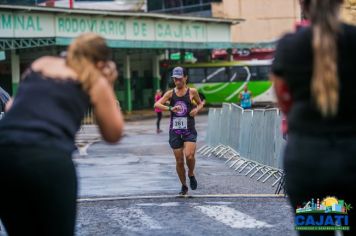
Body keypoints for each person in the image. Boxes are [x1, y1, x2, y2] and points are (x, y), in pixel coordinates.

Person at [0, 33, 124, 236]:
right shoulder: (93, 78)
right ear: (101, 62)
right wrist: (107, 85)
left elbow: (11, 104)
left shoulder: (42, 63)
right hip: (48, 156)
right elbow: (113, 133)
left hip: (4, 153)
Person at [271, 0, 356, 235]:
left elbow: (284, 100)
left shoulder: (290, 46)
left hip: (308, 160)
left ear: (303, 5)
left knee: (316, 231)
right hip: (352, 155)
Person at [154, 67, 204, 195]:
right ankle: (184, 185)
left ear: (185, 77)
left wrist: (196, 110)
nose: (177, 81)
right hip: (175, 131)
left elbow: (200, 103)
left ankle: (191, 174)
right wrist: (170, 108)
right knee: (180, 161)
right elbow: (157, 105)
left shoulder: (192, 92)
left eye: (179, 78)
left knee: (189, 155)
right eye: (175, 79)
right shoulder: (170, 93)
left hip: (189, 129)